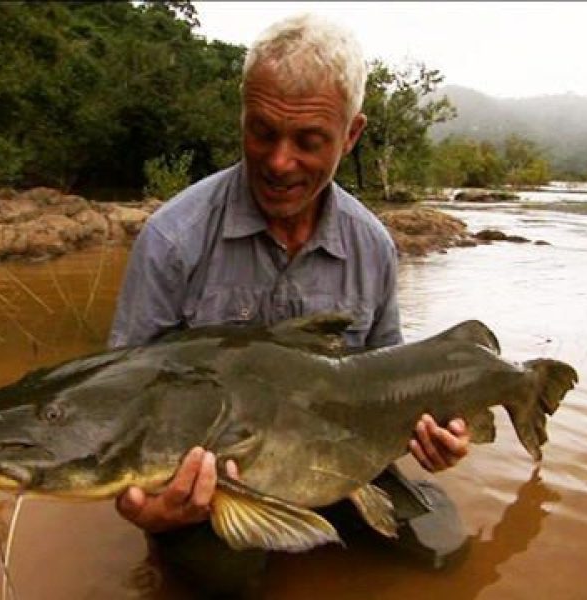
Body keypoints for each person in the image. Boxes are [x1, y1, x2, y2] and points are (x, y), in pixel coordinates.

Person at [108, 13, 470, 594]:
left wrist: (431, 435)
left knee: (441, 549)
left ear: (351, 135)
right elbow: (121, 405)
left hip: (338, 460)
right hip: (217, 488)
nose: (279, 162)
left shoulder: (372, 245)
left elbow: (389, 373)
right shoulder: (173, 240)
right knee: (229, 579)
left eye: (308, 141)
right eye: (261, 132)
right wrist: (144, 509)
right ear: (243, 117)